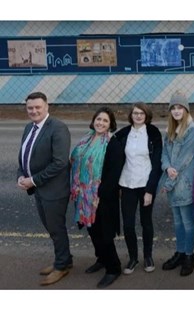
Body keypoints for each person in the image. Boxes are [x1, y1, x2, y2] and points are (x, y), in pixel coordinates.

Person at [16, 91, 72, 286]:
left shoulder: (58, 128)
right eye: (30, 108)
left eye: (38, 107)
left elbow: (60, 163)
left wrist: (33, 180)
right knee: (51, 228)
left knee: (56, 228)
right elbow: (24, 157)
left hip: (54, 190)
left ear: (47, 106)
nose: (34, 111)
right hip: (39, 189)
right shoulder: (29, 128)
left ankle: (62, 266)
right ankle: (63, 259)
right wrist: (21, 176)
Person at [70, 107, 123, 288]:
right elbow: (75, 160)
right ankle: (101, 259)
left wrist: (98, 195)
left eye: (105, 121)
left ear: (110, 124)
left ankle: (114, 268)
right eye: (98, 119)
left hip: (102, 198)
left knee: (104, 233)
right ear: (93, 121)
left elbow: (114, 175)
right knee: (92, 231)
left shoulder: (113, 144)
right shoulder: (86, 139)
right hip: (84, 196)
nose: (100, 123)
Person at [113, 102, 163, 275]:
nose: (139, 116)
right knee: (128, 224)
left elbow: (157, 163)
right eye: (135, 113)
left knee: (146, 222)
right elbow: (110, 147)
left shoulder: (153, 132)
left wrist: (150, 189)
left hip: (145, 184)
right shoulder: (124, 133)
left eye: (142, 113)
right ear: (131, 115)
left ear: (146, 115)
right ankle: (133, 257)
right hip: (127, 184)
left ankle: (148, 256)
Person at [159, 92, 194, 277]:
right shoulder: (170, 130)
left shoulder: (192, 131)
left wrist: (168, 182)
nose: (176, 111)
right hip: (173, 183)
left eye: (179, 107)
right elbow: (164, 154)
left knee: (187, 222)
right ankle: (180, 252)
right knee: (177, 222)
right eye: (173, 108)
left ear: (186, 110)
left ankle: (189, 256)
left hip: (184, 184)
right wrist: (167, 167)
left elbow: (184, 160)